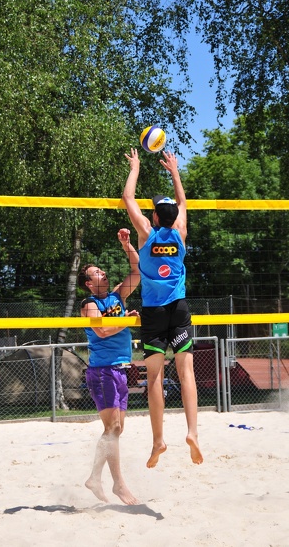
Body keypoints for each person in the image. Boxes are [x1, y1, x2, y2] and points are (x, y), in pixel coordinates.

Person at [122, 147, 203, 468]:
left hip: (154, 312)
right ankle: (193, 432)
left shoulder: (146, 234)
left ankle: (158, 441)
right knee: (187, 374)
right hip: (179, 308)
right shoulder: (180, 233)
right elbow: (182, 204)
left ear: (155, 216)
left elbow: (129, 198)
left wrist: (136, 167)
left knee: (154, 377)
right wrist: (175, 171)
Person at [77, 228, 140, 505]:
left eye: (102, 270)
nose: (103, 273)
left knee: (116, 430)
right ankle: (118, 484)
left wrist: (127, 245)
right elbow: (102, 332)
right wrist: (126, 320)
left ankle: (95, 477)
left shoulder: (116, 296)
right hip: (102, 371)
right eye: (97, 273)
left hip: (121, 368)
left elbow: (138, 271)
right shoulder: (89, 304)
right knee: (112, 429)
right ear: (89, 284)